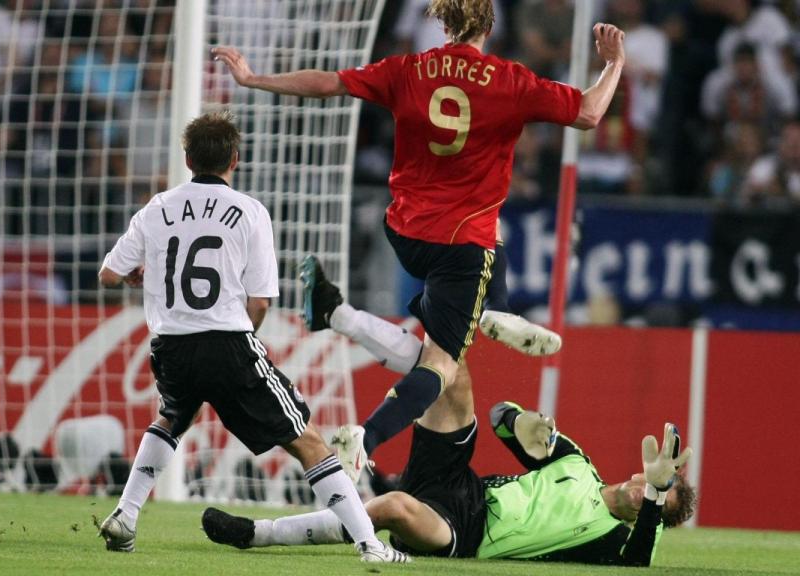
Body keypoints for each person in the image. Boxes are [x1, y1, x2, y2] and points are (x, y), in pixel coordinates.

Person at [214, 0, 627, 477]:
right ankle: (365, 437)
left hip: (407, 232)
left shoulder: (408, 70)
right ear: (490, 26)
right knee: (442, 367)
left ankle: (495, 307)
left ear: (444, 23)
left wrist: (254, 78)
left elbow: (328, 83)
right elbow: (591, 113)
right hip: (460, 245)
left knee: (490, 248)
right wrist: (613, 62)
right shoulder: (509, 80)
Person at [96, 112, 409, 563]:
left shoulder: (157, 207)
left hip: (171, 346)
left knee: (171, 418)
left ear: (187, 159)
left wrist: (136, 276)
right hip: (228, 342)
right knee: (308, 441)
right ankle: (370, 545)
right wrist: (241, 348)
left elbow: (109, 273)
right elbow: (260, 302)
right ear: (235, 160)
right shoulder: (249, 212)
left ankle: (126, 516)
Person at [202, 367, 697, 565]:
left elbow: (640, 563)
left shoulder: (612, 540)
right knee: (453, 373)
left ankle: (258, 533)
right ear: (639, 470)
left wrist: (657, 498)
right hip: (465, 486)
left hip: (465, 532)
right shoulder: (577, 462)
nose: (644, 492)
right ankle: (367, 434)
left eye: (655, 498)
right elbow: (504, 420)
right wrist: (519, 420)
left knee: (393, 505)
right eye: (650, 484)